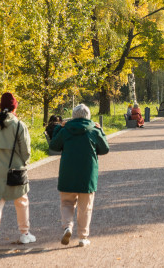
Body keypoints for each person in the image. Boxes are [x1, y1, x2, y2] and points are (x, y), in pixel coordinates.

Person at [49, 104, 109, 248]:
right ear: (88, 116)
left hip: (67, 174)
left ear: (73, 116)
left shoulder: (66, 130)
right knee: (85, 207)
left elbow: (54, 146)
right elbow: (105, 149)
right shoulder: (94, 131)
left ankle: (67, 227)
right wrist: (101, 130)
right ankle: (83, 237)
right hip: (87, 176)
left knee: (67, 203)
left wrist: (59, 127)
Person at [0, 92, 35, 249]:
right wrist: (24, 162)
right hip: (16, 169)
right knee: (22, 201)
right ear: (15, 108)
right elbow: (25, 150)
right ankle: (25, 234)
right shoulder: (19, 125)